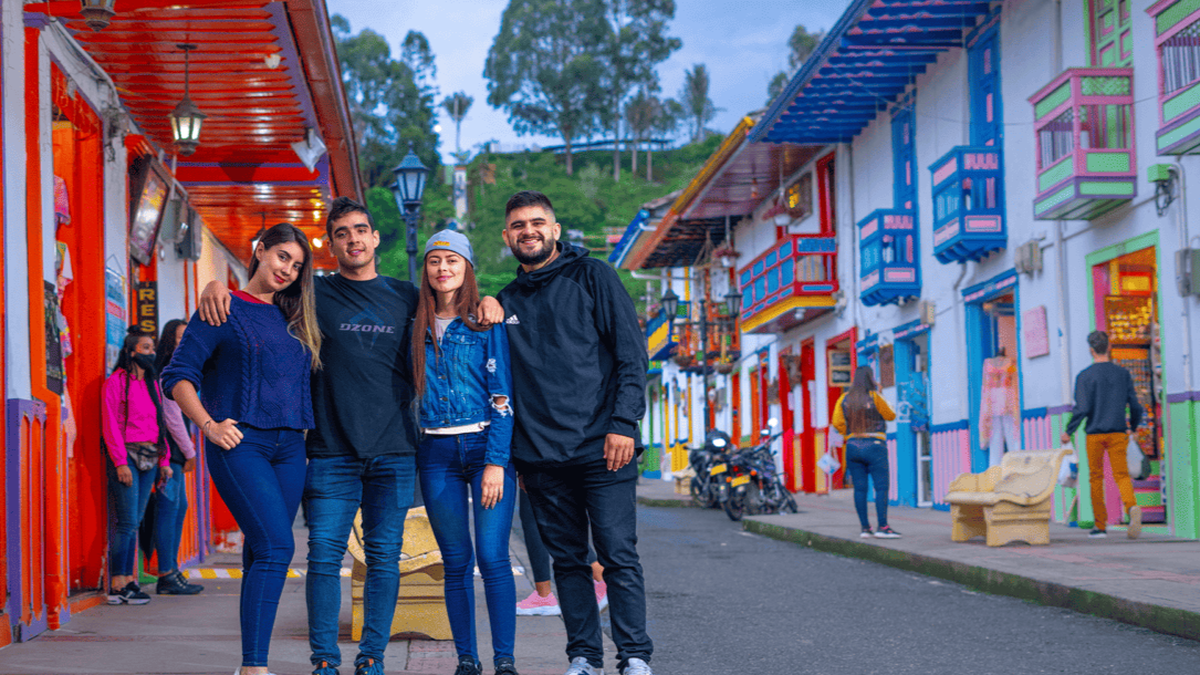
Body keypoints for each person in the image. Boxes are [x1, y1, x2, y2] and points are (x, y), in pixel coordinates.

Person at [198, 198, 503, 675]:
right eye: (341, 233)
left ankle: (372, 657)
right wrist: (216, 285)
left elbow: (452, 299)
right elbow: (257, 297)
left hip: (395, 449)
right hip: (329, 451)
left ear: (375, 238)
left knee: (384, 558)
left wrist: (491, 301)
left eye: (361, 230)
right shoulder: (311, 293)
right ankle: (324, 659)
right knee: (323, 556)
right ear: (331, 244)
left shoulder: (408, 296)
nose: (353, 239)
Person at [496, 190, 652, 675]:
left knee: (618, 554)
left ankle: (634, 656)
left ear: (555, 230)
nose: (528, 231)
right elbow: (505, 385)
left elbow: (631, 354)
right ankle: (584, 655)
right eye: (518, 225)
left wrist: (624, 424)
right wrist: (518, 458)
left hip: (605, 448)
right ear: (507, 236)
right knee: (567, 562)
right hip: (541, 459)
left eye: (537, 222)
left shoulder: (593, 276)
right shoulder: (507, 300)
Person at [163, 222, 322, 675]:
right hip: (241, 444)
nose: (287, 269)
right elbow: (177, 375)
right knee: (277, 546)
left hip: (290, 449)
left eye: (297, 265)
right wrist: (208, 426)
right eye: (282, 256)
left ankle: (252, 662)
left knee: (260, 551)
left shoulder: (298, 317)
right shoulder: (222, 306)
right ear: (260, 250)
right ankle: (254, 668)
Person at [413, 230, 518, 675]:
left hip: (484, 447)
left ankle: (505, 659)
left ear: (467, 267)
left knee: (493, 556)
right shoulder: (414, 323)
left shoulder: (484, 322)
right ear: (426, 269)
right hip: (435, 452)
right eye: (435, 261)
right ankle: (467, 659)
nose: (443, 268)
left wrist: (496, 462)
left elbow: (503, 398)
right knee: (455, 561)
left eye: (452, 260)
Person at [102, 330, 172, 605]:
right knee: (128, 522)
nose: (151, 353)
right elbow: (110, 425)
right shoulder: (115, 382)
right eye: (145, 348)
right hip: (127, 458)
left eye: (152, 348)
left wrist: (164, 461)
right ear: (131, 352)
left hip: (151, 458)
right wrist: (120, 462)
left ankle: (129, 580)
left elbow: (160, 424)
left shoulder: (153, 384)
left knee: (137, 520)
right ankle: (118, 583)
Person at [1060, 330, 1144, 539]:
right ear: (1109, 347)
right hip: (1118, 432)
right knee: (1121, 475)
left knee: (1096, 478)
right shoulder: (1122, 374)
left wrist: (1069, 431)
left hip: (1094, 435)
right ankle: (1131, 506)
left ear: (1091, 350)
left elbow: (1082, 408)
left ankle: (1100, 526)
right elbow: (1136, 405)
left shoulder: (1084, 376)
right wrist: (1132, 426)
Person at [153, 318, 205, 596]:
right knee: (169, 508)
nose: (186, 342)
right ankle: (166, 574)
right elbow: (173, 418)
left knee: (178, 507)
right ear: (169, 342)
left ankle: (171, 570)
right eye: (180, 337)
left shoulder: (185, 370)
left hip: (174, 452)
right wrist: (190, 452)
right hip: (168, 452)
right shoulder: (168, 374)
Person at [832, 366, 899, 539]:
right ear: (871, 378)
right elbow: (891, 415)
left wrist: (849, 433)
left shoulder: (843, 399)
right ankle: (882, 527)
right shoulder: (875, 396)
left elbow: (837, 423)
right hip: (875, 445)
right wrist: (881, 393)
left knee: (860, 489)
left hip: (853, 446)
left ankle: (865, 528)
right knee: (881, 487)